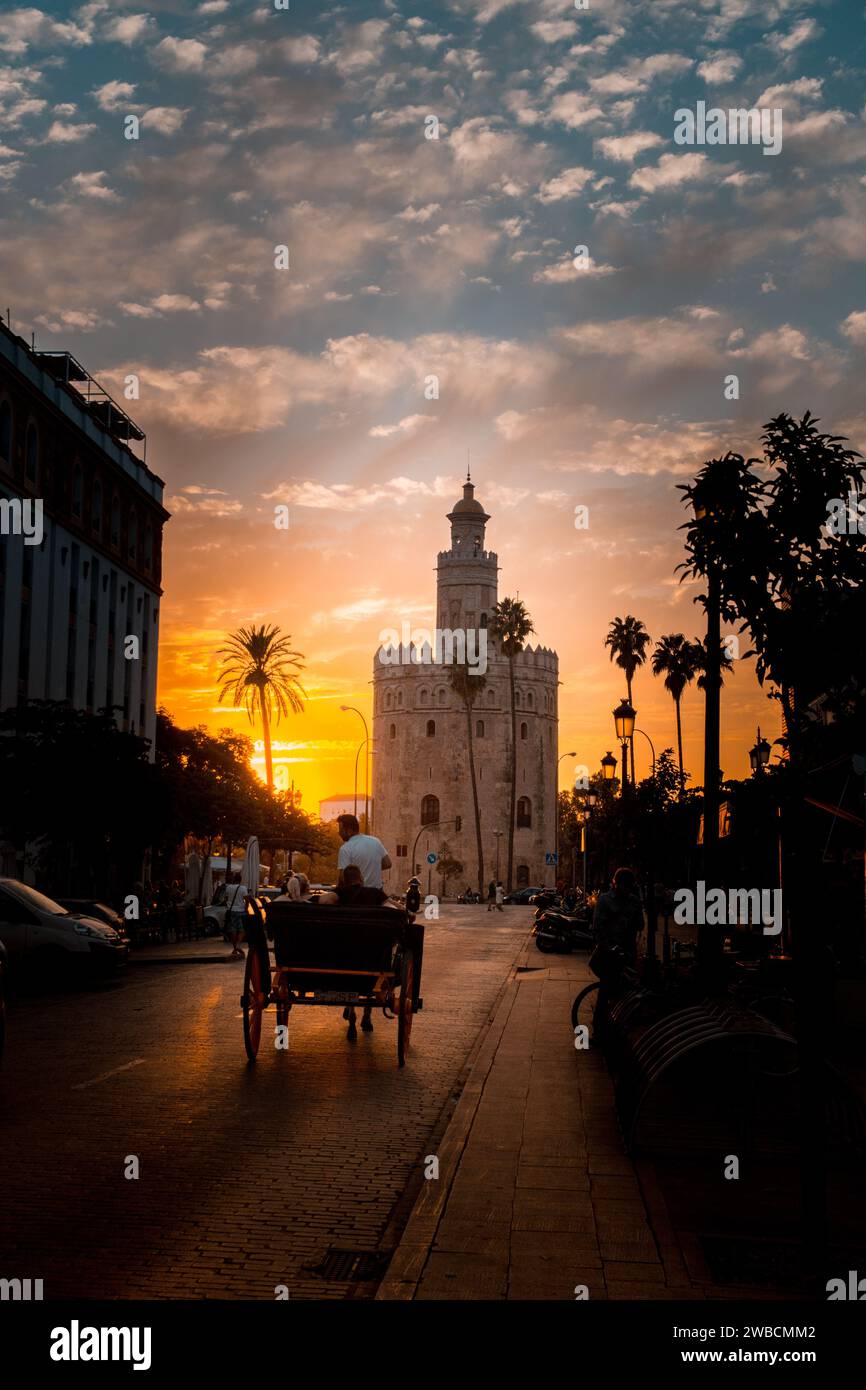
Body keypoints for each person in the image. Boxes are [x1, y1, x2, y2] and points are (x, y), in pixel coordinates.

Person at [336, 814, 391, 888]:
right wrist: (372, 868)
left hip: (358, 895)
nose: (339, 833)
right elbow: (387, 863)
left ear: (349, 831)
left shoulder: (346, 849)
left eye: (341, 830)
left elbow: (342, 878)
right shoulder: (375, 841)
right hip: (377, 895)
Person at [224, 872, 248, 959]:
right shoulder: (243, 888)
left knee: (233, 930)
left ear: (234, 879)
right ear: (240, 880)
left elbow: (226, 899)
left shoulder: (228, 887)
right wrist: (246, 908)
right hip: (240, 911)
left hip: (231, 911)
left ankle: (235, 948)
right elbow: (246, 899)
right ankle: (237, 945)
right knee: (242, 930)